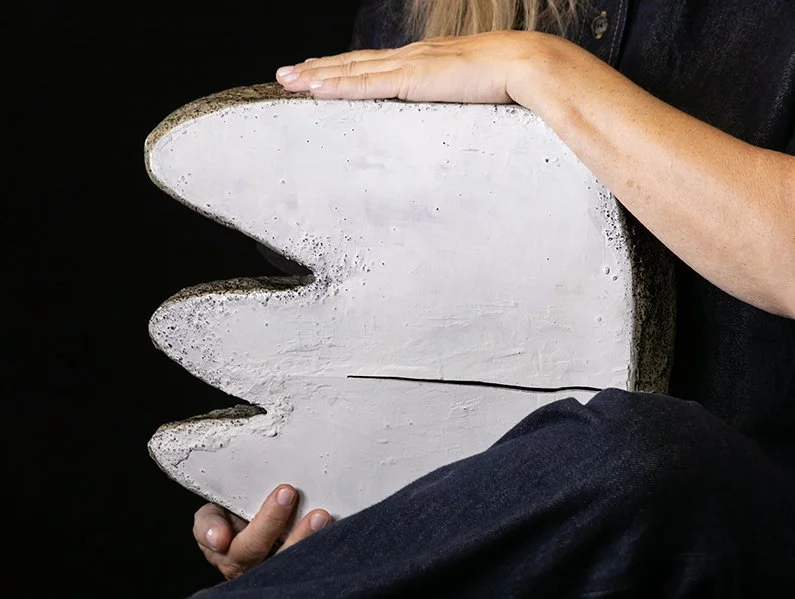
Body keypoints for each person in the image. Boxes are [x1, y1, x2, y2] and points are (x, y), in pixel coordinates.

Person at [188, 1, 795, 596]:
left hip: (744, 522)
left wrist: (539, 68)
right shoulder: (416, 12)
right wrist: (329, 518)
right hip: (581, 545)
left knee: (654, 458)